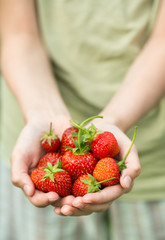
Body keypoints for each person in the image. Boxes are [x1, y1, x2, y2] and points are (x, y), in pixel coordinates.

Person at [0, 0, 165, 239]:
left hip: (153, 151)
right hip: (36, 143)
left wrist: (114, 120)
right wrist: (42, 114)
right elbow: (18, 34)